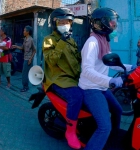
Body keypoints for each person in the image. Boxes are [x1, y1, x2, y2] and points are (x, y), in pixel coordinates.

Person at [78, 8, 134, 150]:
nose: (114, 25)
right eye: (112, 22)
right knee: (104, 126)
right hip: (91, 89)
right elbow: (87, 70)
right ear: (102, 23)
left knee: (118, 110)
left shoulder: (103, 40)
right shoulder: (92, 42)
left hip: (102, 87)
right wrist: (110, 81)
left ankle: (112, 137)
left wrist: (131, 67)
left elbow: (111, 63)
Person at [42, 7, 83, 149]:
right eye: (62, 22)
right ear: (55, 23)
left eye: (68, 22)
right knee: (77, 97)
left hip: (74, 78)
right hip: (57, 79)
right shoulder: (48, 40)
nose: (66, 24)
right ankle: (70, 131)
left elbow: (78, 60)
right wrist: (61, 43)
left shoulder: (72, 41)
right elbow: (50, 61)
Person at [12, 25, 36, 92]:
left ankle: (25, 87)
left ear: (28, 32)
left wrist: (31, 59)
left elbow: (34, 50)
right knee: (28, 72)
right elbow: (22, 48)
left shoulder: (31, 40)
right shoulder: (25, 39)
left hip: (28, 59)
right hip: (25, 58)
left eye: (24, 30)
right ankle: (34, 82)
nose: (23, 32)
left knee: (24, 73)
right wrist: (16, 46)